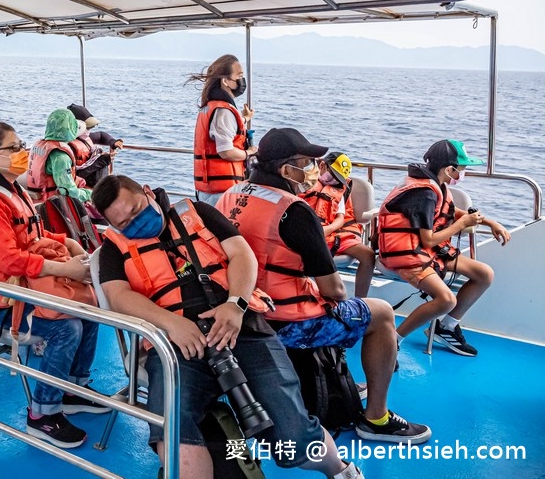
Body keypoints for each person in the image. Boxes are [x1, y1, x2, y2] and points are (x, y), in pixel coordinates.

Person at [92, 175, 362, 479]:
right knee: (177, 434)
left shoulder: (197, 212)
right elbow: (118, 295)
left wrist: (235, 305)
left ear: (147, 192)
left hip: (241, 328)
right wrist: (172, 324)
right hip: (177, 344)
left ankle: (342, 472)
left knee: (294, 435)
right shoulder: (114, 247)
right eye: (124, 223)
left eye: (137, 211)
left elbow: (242, 254)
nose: (135, 224)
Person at [217, 128, 430, 444]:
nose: (314, 169)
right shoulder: (294, 210)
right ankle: (376, 417)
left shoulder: (230, 195)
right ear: (286, 170)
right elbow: (334, 290)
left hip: (241, 311)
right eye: (307, 162)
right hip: (284, 322)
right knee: (382, 313)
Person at [0, 122, 104, 449]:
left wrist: (67, 242)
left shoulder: (12, 189)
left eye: (21, 145)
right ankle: (42, 414)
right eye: (13, 148)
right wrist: (64, 268)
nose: (22, 152)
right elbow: (8, 260)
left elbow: (31, 234)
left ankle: (71, 390)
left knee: (89, 310)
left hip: (25, 288)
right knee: (67, 328)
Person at [377, 139, 510, 356]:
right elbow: (428, 240)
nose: (463, 173)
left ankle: (446, 327)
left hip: (427, 251)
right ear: (449, 170)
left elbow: (449, 212)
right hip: (407, 255)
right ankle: (393, 340)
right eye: (462, 169)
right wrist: (461, 224)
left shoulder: (436, 185)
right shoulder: (424, 193)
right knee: (446, 299)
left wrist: (489, 222)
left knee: (484, 274)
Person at [301, 153, 376, 298]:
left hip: (331, 233)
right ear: (322, 165)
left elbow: (340, 218)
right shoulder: (302, 182)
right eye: (332, 176)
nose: (334, 181)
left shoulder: (338, 190)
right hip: (307, 233)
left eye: (337, 179)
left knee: (368, 255)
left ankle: (359, 302)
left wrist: (328, 229)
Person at [189, 55, 256, 205]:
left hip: (210, 190)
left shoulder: (213, 107)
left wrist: (245, 118)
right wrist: (249, 153)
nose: (242, 80)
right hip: (221, 193)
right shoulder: (223, 111)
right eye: (239, 76)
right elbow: (226, 151)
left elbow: (226, 128)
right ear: (225, 81)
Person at [26, 109, 92, 204]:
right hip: (53, 203)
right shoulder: (60, 156)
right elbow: (69, 192)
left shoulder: (38, 145)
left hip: (36, 198)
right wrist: (90, 194)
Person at [66, 104, 123, 189]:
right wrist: (101, 161)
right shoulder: (69, 147)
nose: (89, 130)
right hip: (84, 188)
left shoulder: (84, 138)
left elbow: (101, 135)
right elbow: (74, 176)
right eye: (88, 127)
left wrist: (113, 142)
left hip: (98, 186)